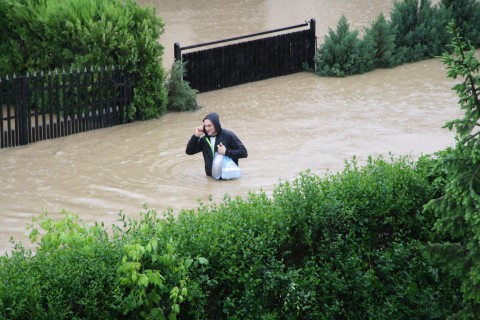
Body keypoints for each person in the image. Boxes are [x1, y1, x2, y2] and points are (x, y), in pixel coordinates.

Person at [186, 112, 247, 177]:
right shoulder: (204, 139)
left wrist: (226, 152)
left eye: (209, 126)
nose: (207, 129)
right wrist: (196, 136)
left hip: (229, 178)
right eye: (205, 126)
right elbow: (189, 151)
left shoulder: (228, 136)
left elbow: (244, 153)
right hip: (211, 179)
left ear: (216, 125)